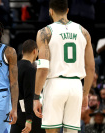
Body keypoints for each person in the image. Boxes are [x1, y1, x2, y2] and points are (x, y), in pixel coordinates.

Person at [33, 0, 95, 133]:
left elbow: (43, 67)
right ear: (67, 10)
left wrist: (36, 96)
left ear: (50, 11)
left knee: (51, 131)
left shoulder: (45, 32)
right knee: (71, 131)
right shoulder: (83, 32)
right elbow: (90, 67)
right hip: (76, 86)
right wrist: (85, 93)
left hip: (55, 84)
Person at [10, 39, 44, 133]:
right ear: (35, 51)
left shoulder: (14, 67)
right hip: (28, 113)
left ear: (22, 51)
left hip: (16, 111)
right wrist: (29, 119)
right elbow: (28, 95)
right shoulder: (30, 69)